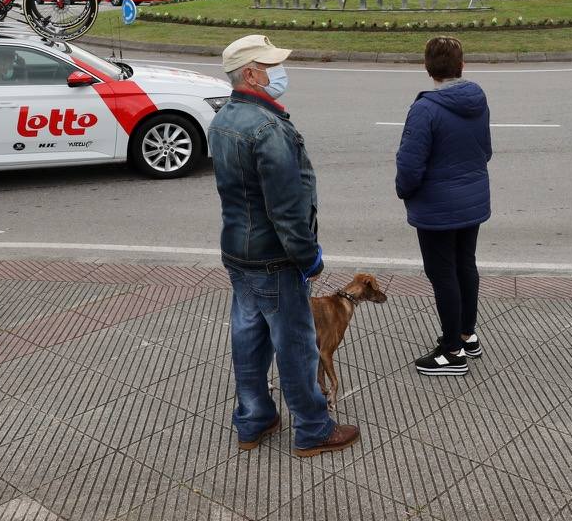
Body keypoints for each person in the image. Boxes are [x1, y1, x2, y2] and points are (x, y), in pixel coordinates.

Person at [208, 35, 360, 457]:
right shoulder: (268, 129)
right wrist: (308, 256)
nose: (279, 72)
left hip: (238, 251)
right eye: (270, 65)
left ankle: (253, 420)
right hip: (275, 256)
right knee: (295, 344)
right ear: (251, 75)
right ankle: (313, 428)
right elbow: (286, 208)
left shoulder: (223, 120)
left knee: (248, 337)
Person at [395, 36, 492, 377]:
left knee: (442, 274)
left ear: (427, 68)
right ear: (461, 65)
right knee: (465, 265)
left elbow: (410, 166)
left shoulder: (425, 109)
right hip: (472, 198)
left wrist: (404, 191)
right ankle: (467, 335)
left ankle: (451, 351)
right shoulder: (477, 101)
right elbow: (486, 150)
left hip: (437, 206)